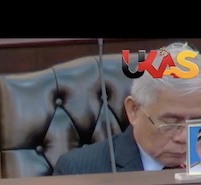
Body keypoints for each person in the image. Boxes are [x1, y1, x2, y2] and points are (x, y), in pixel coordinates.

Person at [53, 41, 201, 175]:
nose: (185, 138)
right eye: (170, 122)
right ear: (134, 110)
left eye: (197, 122)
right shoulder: (78, 170)